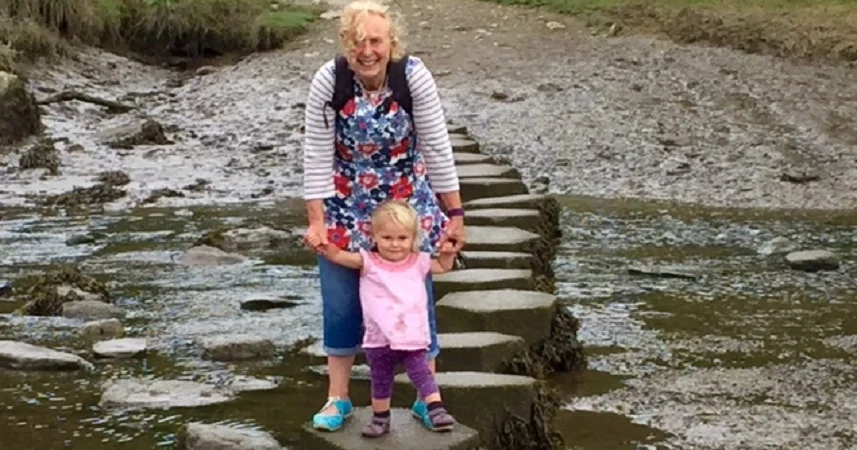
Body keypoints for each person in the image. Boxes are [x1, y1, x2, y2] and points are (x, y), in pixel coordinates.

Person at [300, 0, 467, 433]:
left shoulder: (412, 77)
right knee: (340, 303)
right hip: (343, 202)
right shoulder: (330, 79)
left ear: (391, 42)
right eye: (358, 42)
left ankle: (426, 399)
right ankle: (337, 399)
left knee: (414, 300)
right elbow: (315, 154)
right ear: (346, 44)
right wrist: (316, 220)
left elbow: (436, 144)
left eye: (376, 40)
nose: (367, 50)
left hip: (405, 208)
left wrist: (456, 214)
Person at [309, 200, 457, 436]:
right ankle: (380, 418)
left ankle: (435, 407)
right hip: (378, 337)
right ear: (374, 236)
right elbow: (339, 257)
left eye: (402, 238)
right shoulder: (368, 262)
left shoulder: (418, 261)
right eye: (387, 238)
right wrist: (322, 243)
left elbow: (442, 266)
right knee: (380, 380)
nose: (395, 245)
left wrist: (448, 252)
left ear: (413, 238)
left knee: (421, 372)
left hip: (411, 334)